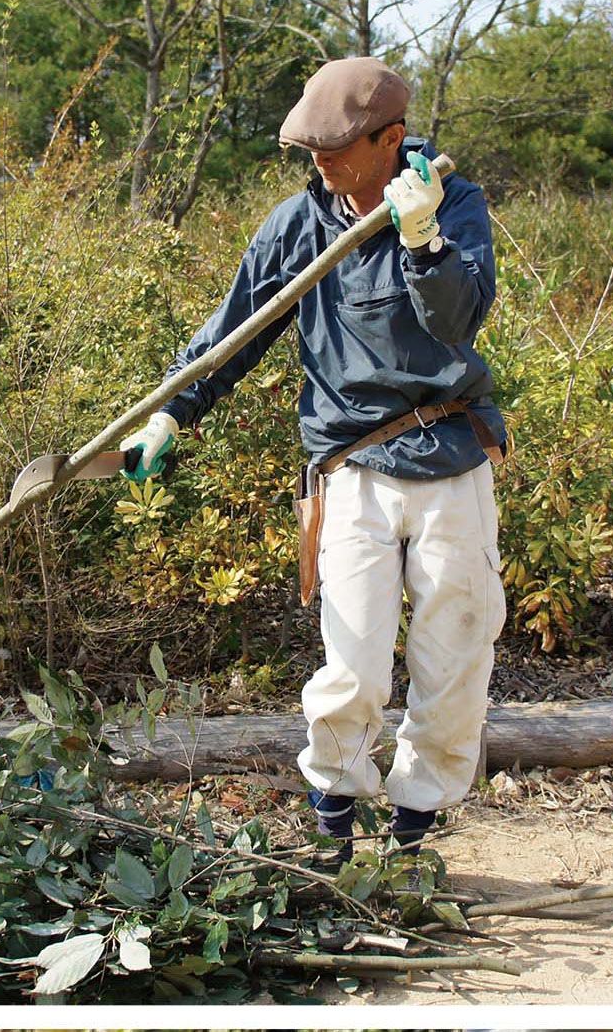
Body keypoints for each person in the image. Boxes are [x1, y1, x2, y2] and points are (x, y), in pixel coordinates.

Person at [119, 56, 507, 864]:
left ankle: (413, 835)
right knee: (355, 661)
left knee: (455, 657)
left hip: (451, 454)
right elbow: (235, 332)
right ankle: (333, 828)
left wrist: (423, 238)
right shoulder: (295, 227)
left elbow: (458, 321)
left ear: (390, 138)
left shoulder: (453, 203)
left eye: (335, 147)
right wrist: (171, 410)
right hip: (352, 466)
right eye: (312, 149)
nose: (320, 162)